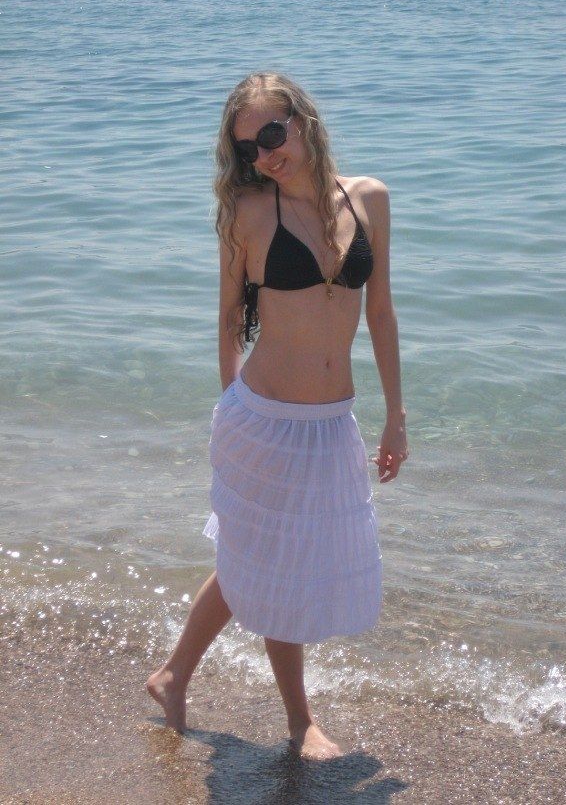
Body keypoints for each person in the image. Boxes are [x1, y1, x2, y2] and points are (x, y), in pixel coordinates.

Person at [147, 72, 409, 761]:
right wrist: (231, 408)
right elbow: (228, 316)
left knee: (255, 558)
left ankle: (171, 675)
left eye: (271, 135)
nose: (264, 156)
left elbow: (381, 313)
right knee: (275, 560)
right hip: (263, 418)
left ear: (301, 120)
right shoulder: (248, 211)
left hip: (332, 420)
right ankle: (299, 723)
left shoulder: (370, 198)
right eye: (248, 150)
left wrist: (395, 415)